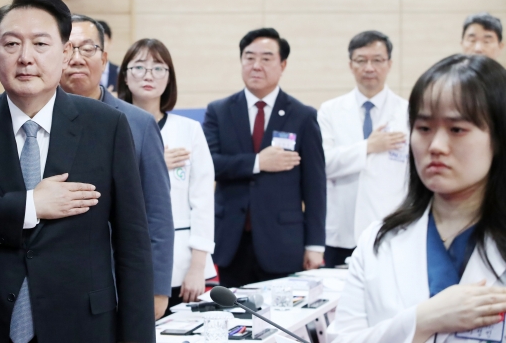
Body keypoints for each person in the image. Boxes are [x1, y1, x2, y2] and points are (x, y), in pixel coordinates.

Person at [0, 0, 155, 343]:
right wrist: (30, 206)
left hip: (81, 326)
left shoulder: (106, 126)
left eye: (40, 44)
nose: (25, 58)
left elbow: (133, 244)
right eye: (12, 44)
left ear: (64, 54)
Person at [327, 54, 506, 343]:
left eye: (456, 129)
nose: (435, 146)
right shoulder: (377, 241)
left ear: (498, 139)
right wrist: (421, 321)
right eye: (423, 129)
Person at [59, 14, 174, 320]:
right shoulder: (37, 121)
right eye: (68, 49)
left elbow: (158, 215)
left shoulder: (139, 124)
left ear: (105, 58)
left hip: (115, 281)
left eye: (88, 48)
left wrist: (157, 289)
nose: (77, 58)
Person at [203, 28, 326, 288]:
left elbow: (315, 186)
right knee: (236, 322)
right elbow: (210, 164)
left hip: (282, 243)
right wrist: (258, 162)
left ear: (283, 65)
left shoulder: (302, 115)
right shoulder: (219, 111)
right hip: (231, 242)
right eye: (249, 58)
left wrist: (315, 245)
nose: (256, 65)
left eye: (266, 58)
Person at [117, 38, 217, 315]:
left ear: (169, 78)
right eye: (139, 67)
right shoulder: (113, 125)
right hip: (125, 258)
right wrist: (152, 165)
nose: (149, 75)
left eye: (159, 68)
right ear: (124, 75)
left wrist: (198, 266)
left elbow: (203, 202)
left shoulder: (189, 130)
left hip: (182, 261)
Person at [318, 31, 409, 268]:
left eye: (377, 60)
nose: (369, 67)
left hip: (389, 226)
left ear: (389, 64)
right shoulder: (330, 111)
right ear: (351, 65)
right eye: (361, 60)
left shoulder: (407, 112)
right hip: (340, 229)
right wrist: (368, 147)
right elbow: (323, 164)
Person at [97, 19, 120, 91]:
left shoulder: (120, 72)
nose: (100, 45)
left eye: (103, 40)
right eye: (96, 40)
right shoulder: (84, 72)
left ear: (110, 42)